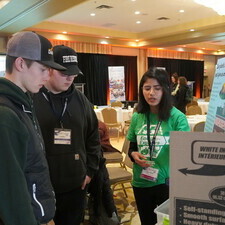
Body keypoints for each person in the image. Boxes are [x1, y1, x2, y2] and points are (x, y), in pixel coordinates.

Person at [0, 31, 66, 225]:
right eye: (43, 69)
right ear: (20, 64)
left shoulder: (23, 103)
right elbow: (11, 190)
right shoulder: (6, 115)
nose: (47, 76)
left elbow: (33, 165)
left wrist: (45, 214)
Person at [33, 45, 101, 225]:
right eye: (64, 73)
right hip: (42, 187)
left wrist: (90, 172)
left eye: (73, 73)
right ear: (48, 69)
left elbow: (93, 137)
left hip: (76, 185)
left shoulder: (81, 101)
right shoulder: (32, 98)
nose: (70, 77)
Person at [126, 68, 190, 225]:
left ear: (165, 90)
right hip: (141, 181)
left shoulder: (177, 118)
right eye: (147, 88)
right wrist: (133, 155)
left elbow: (185, 156)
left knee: (167, 222)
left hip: (166, 184)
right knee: (147, 221)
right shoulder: (137, 116)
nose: (151, 93)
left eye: (157, 88)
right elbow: (131, 148)